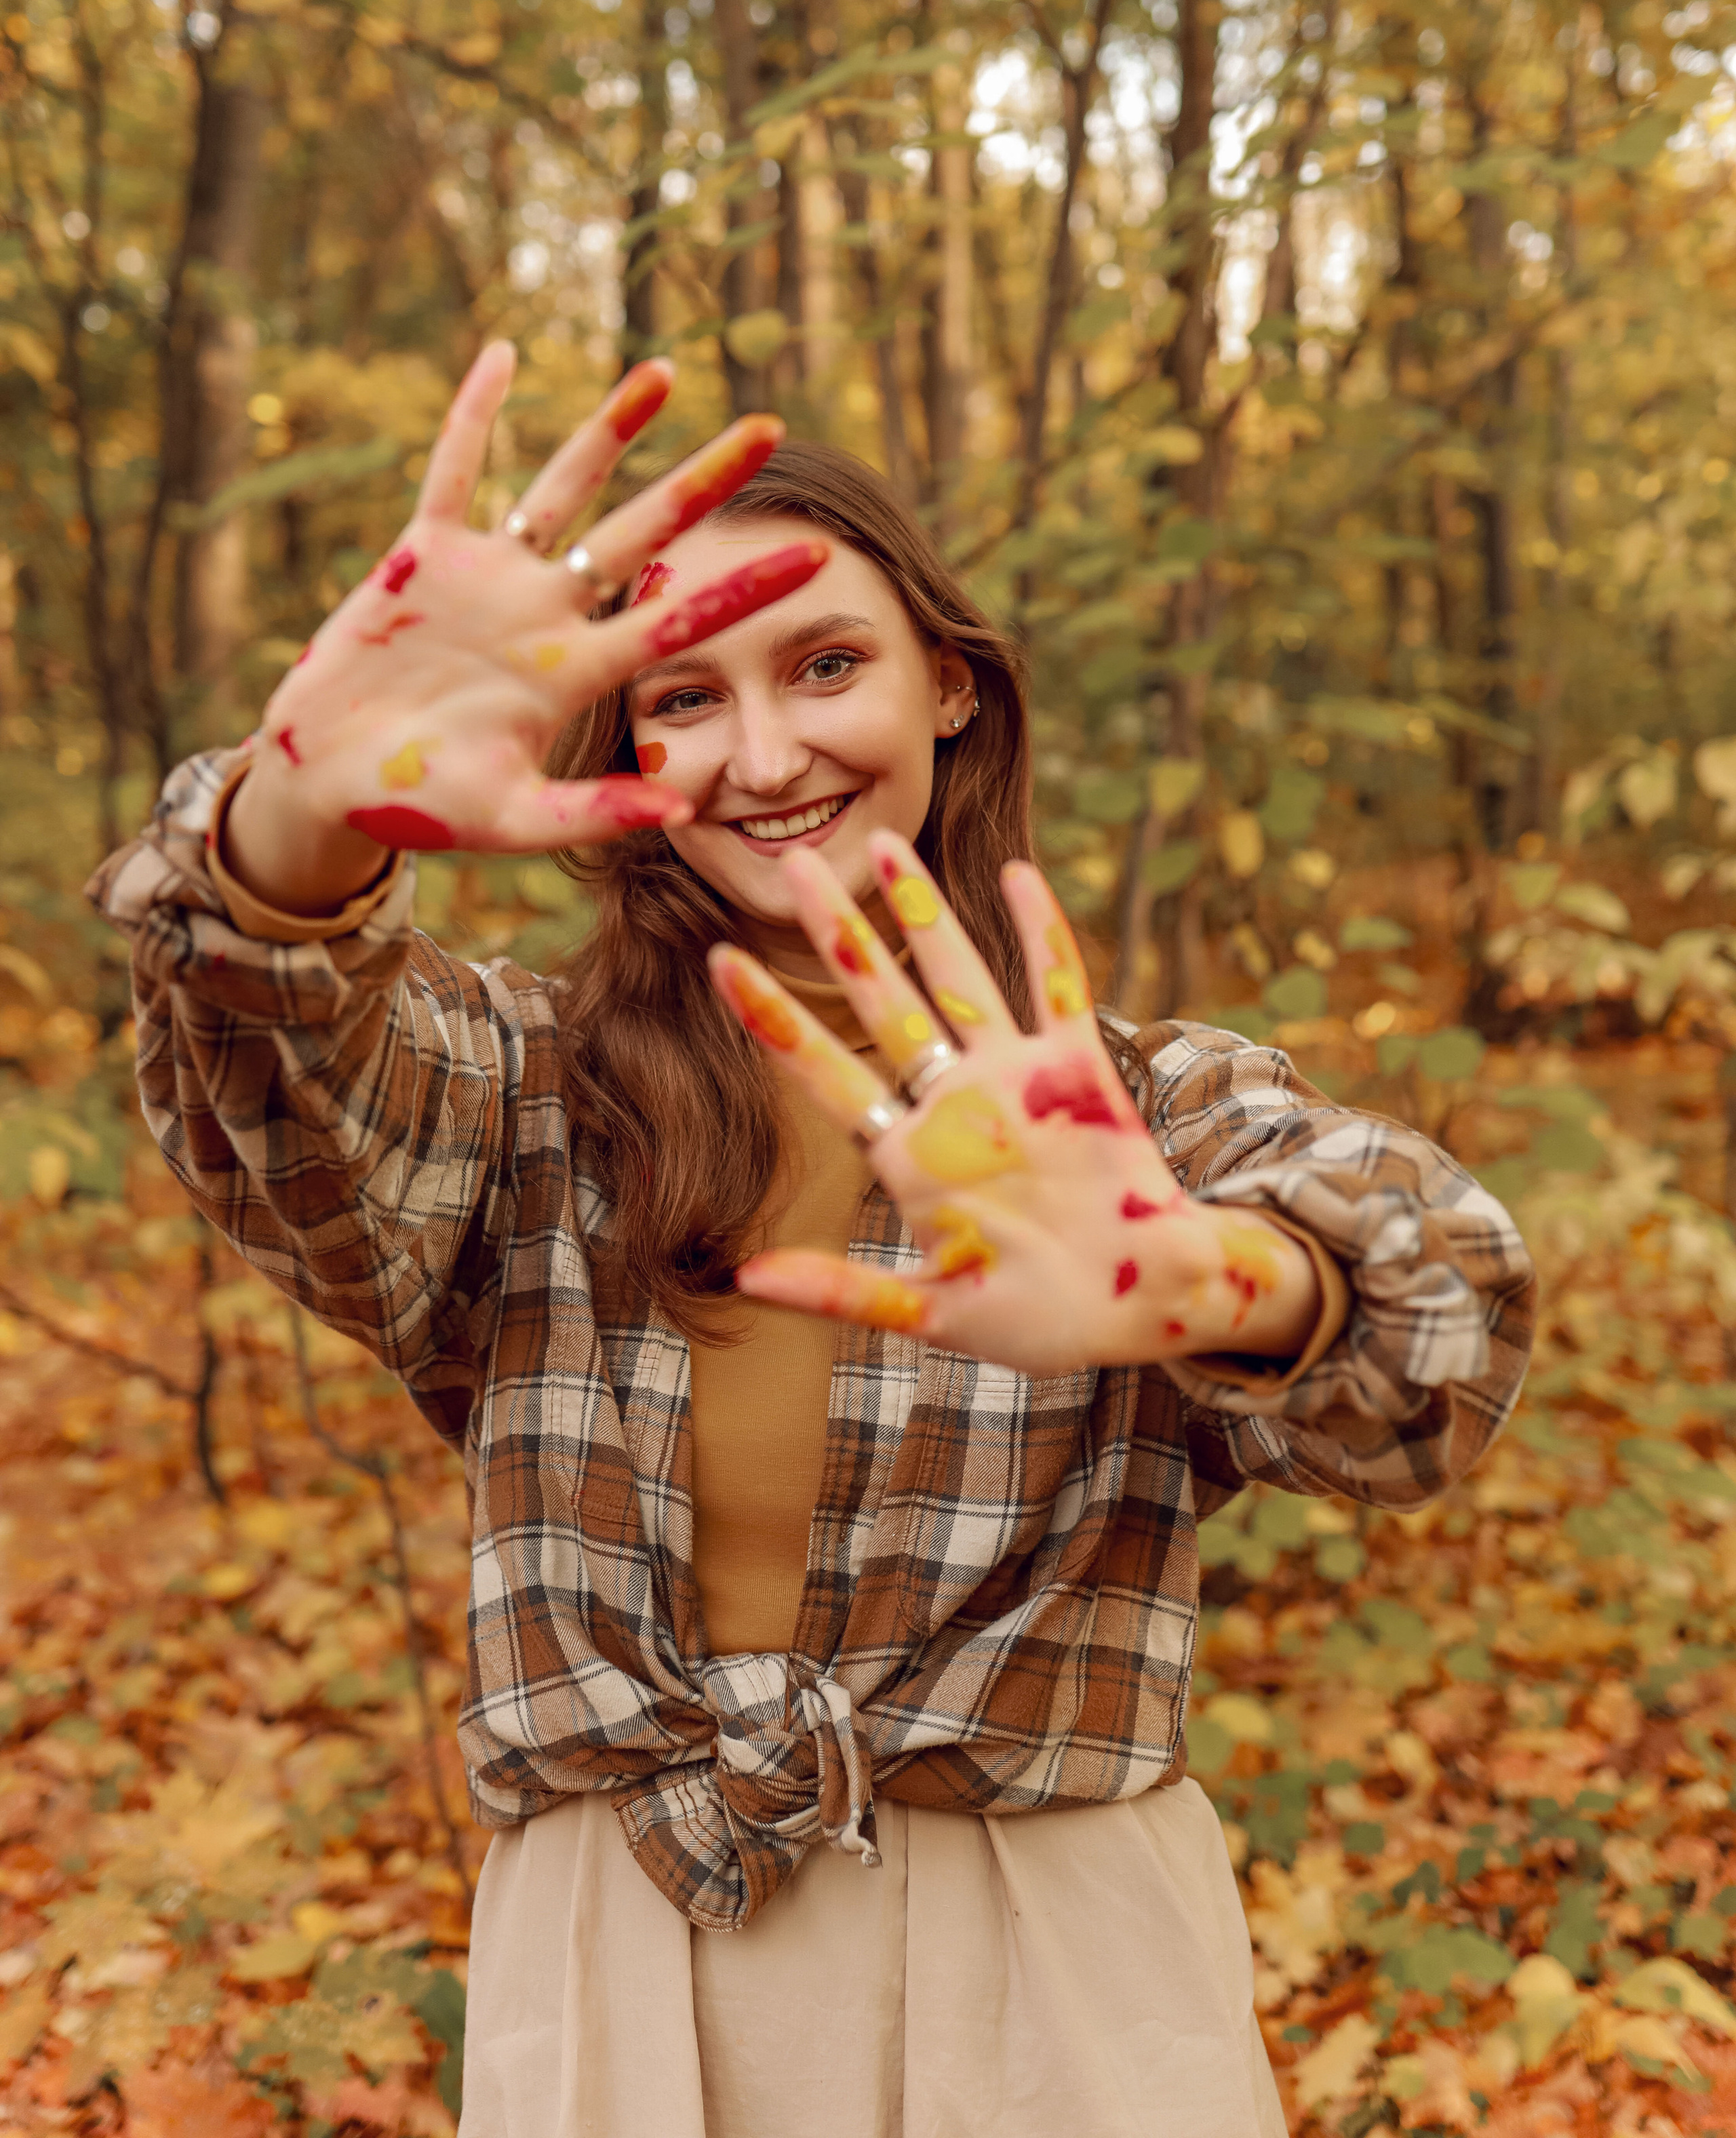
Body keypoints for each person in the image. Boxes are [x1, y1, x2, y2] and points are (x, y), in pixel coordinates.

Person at [90, 344, 1534, 2138]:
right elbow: (271, 1065)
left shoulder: (1137, 1109)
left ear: (951, 683)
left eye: (828, 665)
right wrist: (299, 812)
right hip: (623, 1952)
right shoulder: (524, 1100)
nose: (765, 756)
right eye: (686, 696)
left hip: (1058, 1970)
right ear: (623, 743)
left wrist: (1204, 1278)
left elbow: (1444, 1325)